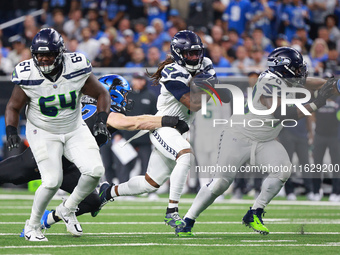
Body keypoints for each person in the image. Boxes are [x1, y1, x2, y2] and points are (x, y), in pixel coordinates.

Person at [175, 46, 339, 237]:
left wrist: (333, 85)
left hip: (265, 140)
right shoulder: (269, 81)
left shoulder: (286, 78)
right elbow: (280, 113)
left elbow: (312, 83)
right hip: (238, 136)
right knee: (220, 183)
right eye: (296, 68)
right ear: (284, 69)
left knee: (283, 169)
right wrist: (316, 103)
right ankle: (188, 220)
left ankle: (255, 212)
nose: (300, 72)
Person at [1, 74, 187, 232]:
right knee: (9, 174)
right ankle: (36, 223)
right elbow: (134, 123)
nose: (126, 98)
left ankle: (56, 216)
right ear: (111, 93)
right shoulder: (104, 113)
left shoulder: (91, 107)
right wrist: (167, 120)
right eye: (123, 94)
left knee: (93, 201)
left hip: (68, 166)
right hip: (42, 158)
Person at [98, 30, 230, 228]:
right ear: (178, 54)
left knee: (149, 184)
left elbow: (212, 94)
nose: (194, 57)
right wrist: (205, 87)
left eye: (196, 53)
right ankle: (172, 212)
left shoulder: (207, 63)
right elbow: (194, 104)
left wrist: (204, 88)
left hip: (181, 129)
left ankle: (108, 192)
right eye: (189, 54)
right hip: (163, 124)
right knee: (186, 155)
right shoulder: (172, 72)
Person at [5, 28, 111, 241]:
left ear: (60, 53)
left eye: (49, 54)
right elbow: (13, 107)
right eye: (39, 54)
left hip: (74, 128)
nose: (43, 59)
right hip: (43, 131)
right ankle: (32, 226)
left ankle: (67, 208)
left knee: (95, 171)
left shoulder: (77, 67)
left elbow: (102, 93)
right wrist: (11, 131)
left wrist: (101, 120)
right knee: (52, 181)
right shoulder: (27, 73)